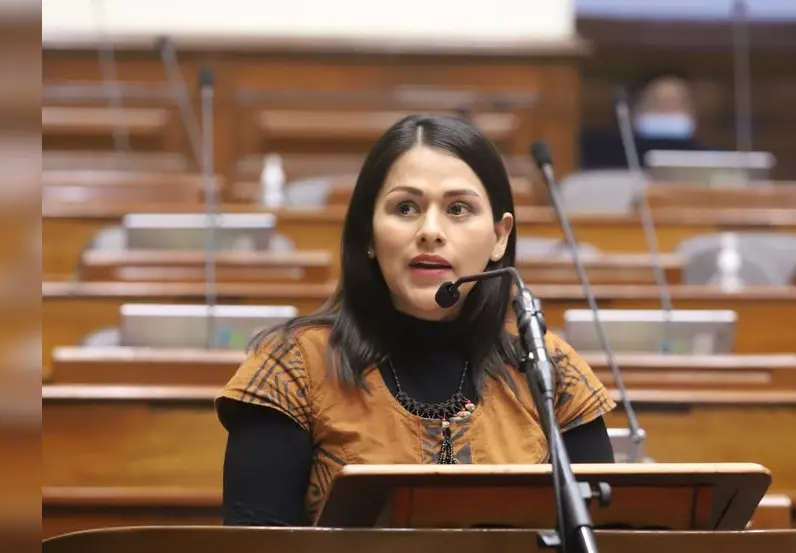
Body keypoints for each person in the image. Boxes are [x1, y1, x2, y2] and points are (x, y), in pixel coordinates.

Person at [216, 115, 617, 527]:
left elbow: (607, 550)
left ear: (500, 237)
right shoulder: (293, 369)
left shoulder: (550, 372)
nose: (430, 231)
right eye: (405, 208)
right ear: (369, 235)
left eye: (458, 209)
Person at [581, 74, 703, 169]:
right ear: (636, 111)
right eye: (658, 103)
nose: (667, 111)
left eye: (676, 104)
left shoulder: (707, 158)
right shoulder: (604, 154)